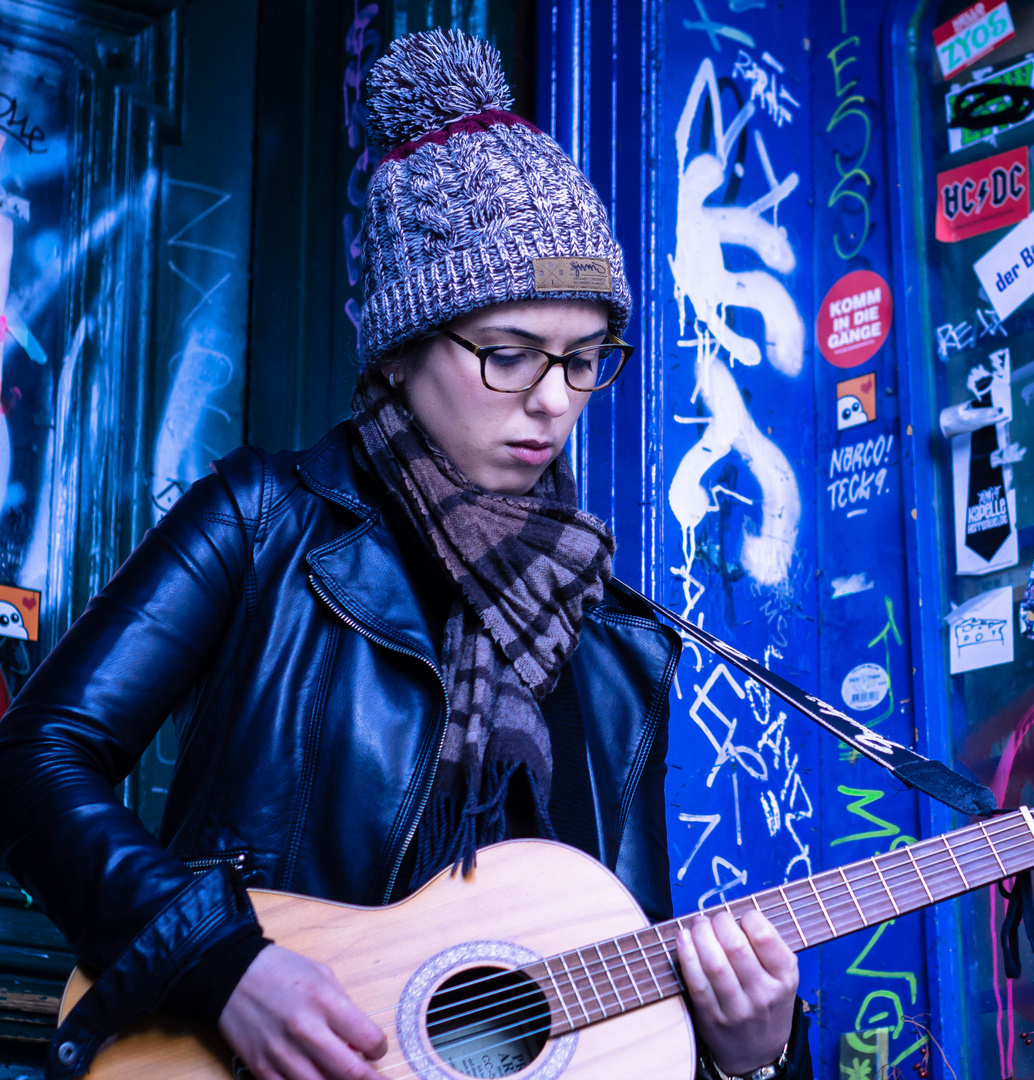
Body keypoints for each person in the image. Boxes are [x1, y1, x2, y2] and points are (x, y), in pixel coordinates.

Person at [0, 29, 810, 1080]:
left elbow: (619, 1005)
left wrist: (745, 1056)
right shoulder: (266, 525)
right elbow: (33, 760)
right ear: (404, 344)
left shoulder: (616, 653)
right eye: (510, 354)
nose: (555, 400)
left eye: (583, 359)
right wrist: (221, 962)